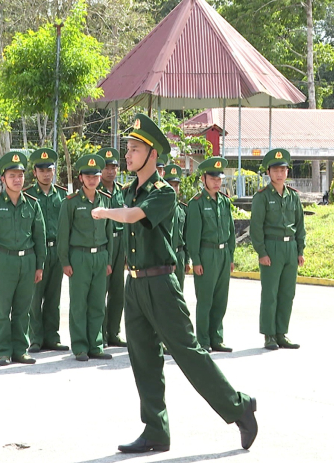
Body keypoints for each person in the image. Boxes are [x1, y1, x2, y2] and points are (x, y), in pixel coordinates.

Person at [91, 114, 257, 454]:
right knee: (143, 359)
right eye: (127, 149)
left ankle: (239, 406)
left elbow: (133, 216)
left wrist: (105, 213)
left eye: (135, 149)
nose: (127, 155)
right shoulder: (129, 190)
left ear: (152, 155)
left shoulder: (163, 192)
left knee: (187, 354)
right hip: (135, 284)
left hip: (161, 283)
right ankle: (156, 430)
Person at [0, 152, 47, 366]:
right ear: (3, 178)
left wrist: (39, 265)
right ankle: (3, 351)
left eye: (20, 175)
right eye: (12, 176)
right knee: (2, 310)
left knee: (22, 310)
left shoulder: (32, 204)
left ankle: (20, 350)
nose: (17, 180)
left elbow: (40, 237)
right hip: (3, 261)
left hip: (27, 262)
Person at [58, 154, 114, 361]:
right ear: (81, 178)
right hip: (79, 257)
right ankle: (80, 346)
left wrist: (108, 260)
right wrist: (65, 261)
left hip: (100, 256)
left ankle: (96, 345)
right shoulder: (71, 202)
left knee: (98, 303)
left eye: (96, 176)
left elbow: (109, 233)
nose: (92, 180)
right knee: (79, 304)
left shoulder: (105, 200)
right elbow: (63, 234)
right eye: (88, 176)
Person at [250, 148, 305, 350]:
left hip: (290, 247)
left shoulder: (293, 196)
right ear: (268, 172)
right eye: (275, 170)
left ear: (287, 171)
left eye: (283, 170)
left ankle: (282, 333)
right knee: (270, 294)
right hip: (272, 248)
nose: (279, 174)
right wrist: (262, 252)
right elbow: (256, 227)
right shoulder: (262, 197)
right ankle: (269, 335)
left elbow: (300, 225)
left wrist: (300, 250)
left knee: (287, 293)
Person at [185, 157, 236, 353]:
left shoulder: (224, 201)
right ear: (203, 179)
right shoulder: (197, 203)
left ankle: (217, 338)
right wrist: (196, 260)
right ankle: (204, 340)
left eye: (219, 178)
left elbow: (231, 232)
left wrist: (231, 257)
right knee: (205, 300)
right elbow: (193, 235)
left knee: (221, 299)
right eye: (213, 178)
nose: (217, 182)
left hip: (223, 254)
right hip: (206, 254)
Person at [24, 148, 70, 353]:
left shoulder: (62, 195)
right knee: (35, 298)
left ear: (54, 171)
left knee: (54, 296)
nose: (45, 174)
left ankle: (52, 337)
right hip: (36, 252)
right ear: (35, 172)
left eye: (49, 170)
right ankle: (35, 338)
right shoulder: (27, 195)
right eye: (41, 170)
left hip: (56, 251)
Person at [96, 147, 128, 347]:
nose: (110, 171)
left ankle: (114, 332)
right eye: (106, 167)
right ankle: (100, 334)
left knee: (118, 291)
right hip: (104, 242)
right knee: (101, 290)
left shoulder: (123, 191)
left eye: (113, 167)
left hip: (121, 241)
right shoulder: (95, 191)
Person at [162, 163, 189, 289]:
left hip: (179, 255)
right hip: (164, 257)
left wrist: (187, 260)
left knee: (179, 292)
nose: (173, 188)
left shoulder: (183, 209)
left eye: (176, 185)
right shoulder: (158, 210)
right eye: (170, 185)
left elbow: (186, 236)